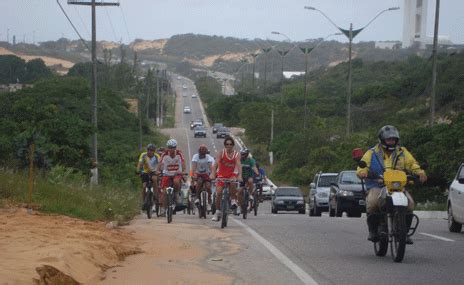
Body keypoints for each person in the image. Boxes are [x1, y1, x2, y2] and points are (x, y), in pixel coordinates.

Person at [356, 125, 427, 244]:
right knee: (372, 203)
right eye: (389, 139)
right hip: (377, 185)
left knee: (409, 204)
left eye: (393, 139)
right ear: (382, 140)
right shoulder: (371, 152)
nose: (391, 141)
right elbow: (362, 166)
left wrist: (419, 172)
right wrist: (362, 172)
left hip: (398, 186)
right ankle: (373, 230)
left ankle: (404, 232)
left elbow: (412, 164)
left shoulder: (402, 152)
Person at [210, 137, 242, 222]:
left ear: (233, 145)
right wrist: (213, 173)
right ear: (225, 145)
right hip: (221, 175)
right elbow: (216, 164)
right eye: (227, 144)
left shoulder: (236, 154)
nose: (229, 146)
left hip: (232, 175)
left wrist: (240, 176)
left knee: (232, 183)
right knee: (219, 193)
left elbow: (238, 165)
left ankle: (233, 200)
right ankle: (217, 212)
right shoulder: (221, 153)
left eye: (231, 144)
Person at [156, 139, 186, 215]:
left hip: (177, 173)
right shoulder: (164, 154)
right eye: (170, 147)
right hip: (166, 173)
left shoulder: (179, 153)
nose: (171, 149)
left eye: (173, 147)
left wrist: (184, 171)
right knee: (164, 191)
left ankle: (176, 194)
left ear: (175, 147)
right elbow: (159, 163)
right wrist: (158, 170)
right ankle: (163, 208)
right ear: (168, 147)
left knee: (176, 182)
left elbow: (183, 162)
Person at [191, 144, 215, 211]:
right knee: (199, 182)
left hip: (206, 175)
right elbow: (193, 167)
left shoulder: (208, 157)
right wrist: (194, 174)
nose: (202, 154)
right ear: (199, 151)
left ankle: (209, 203)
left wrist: (213, 174)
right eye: (201, 152)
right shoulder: (195, 157)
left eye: (204, 152)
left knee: (208, 187)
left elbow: (211, 167)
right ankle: (197, 198)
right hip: (198, 174)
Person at [136, 144, 160, 211]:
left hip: (154, 172)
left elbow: (160, 164)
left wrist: (158, 171)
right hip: (145, 172)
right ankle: (144, 202)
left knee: (154, 179)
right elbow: (139, 163)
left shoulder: (157, 156)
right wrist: (137, 170)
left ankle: (156, 197)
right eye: (148, 150)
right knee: (144, 186)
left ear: (154, 151)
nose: (149, 151)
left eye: (151, 150)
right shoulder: (143, 155)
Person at [239, 148, 259, 214]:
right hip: (241, 177)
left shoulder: (251, 160)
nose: (242, 155)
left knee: (250, 181)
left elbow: (254, 167)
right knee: (240, 191)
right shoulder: (239, 160)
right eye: (241, 154)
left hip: (249, 176)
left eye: (243, 154)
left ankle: (250, 194)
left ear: (247, 154)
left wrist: (257, 173)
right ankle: (241, 206)